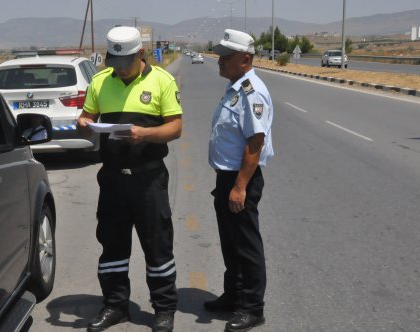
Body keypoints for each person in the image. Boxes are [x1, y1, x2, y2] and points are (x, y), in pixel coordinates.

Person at [76, 26, 183, 332]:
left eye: (125, 63)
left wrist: (145, 133)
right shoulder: (99, 81)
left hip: (148, 180)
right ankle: (115, 305)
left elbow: (175, 127)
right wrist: (83, 124)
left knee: (158, 247)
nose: (119, 70)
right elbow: (87, 120)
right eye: (115, 63)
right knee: (112, 245)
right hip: (111, 180)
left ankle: (164, 309)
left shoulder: (161, 80)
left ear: (140, 55)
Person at [205, 29, 274, 332]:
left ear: (245, 59)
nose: (220, 61)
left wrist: (239, 187)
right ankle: (233, 296)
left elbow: (254, 144)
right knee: (230, 243)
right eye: (219, 55)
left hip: (240, 179)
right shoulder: (236, 86)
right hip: (228, 177)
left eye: (226, 56)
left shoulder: (252, 92)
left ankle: (252, 308)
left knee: (246, 246)